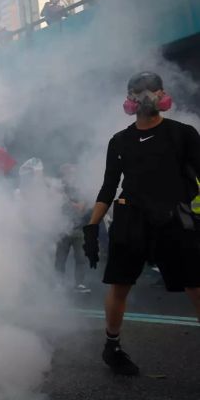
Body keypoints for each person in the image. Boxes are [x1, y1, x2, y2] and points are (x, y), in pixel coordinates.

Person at [83, 72, 200, 376]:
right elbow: (108, 187)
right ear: (129, 98)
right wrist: (92, 227)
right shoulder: (119, 141)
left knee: (196, 283)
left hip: (175, 218)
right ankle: (112, 347)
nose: (146, 96)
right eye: (139, 91)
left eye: (152, 90)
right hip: (131, 219)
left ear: (162, 94)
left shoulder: (183, 134)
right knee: (120, 285)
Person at [56, 164, 90, 293]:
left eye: (72, 172)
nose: (71, 175)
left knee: (81, 258)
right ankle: (59, 283)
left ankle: (79, 283)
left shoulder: (80, 188)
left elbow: (85, 204)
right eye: (68, 172)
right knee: (60, 258)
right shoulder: (58, 187)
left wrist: (81, 204)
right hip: (62, 228)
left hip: (79, 229)